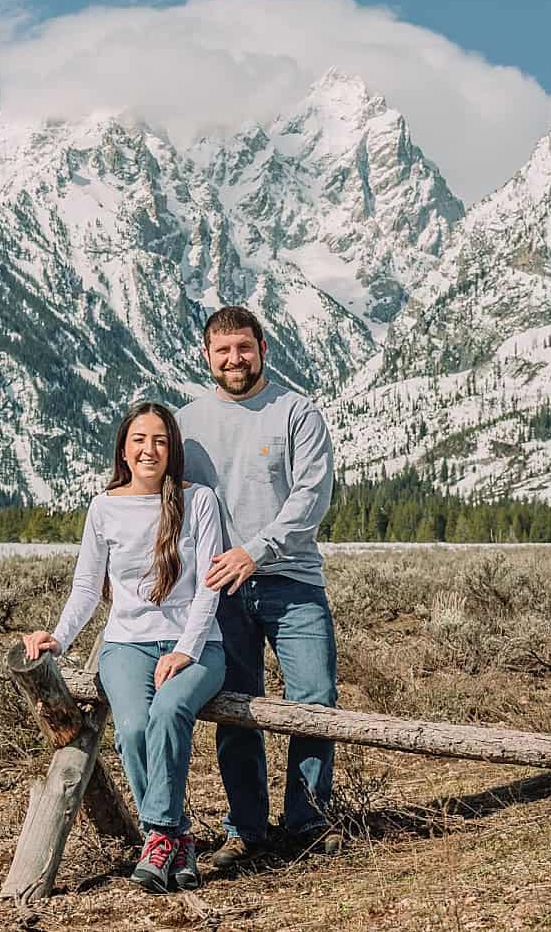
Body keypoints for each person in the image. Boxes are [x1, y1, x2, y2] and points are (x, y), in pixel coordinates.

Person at [21, 401, 226, 893]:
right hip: (126, 645)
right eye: (139, 439)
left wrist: (186, 650)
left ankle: (158, 837)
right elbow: (88, 587)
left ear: (171, 448)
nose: (149, 449)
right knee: (133, 727)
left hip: (198, 646)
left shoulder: (198, 501)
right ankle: (174, 837)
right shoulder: (105, 506)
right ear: (124, 449)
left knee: (170, 712)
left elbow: (209, 587)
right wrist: (60, 637)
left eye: (159, 439)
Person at [177, 306, 339, 870]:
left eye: (243, 347)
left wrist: (256, 551)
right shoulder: (187, 423)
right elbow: (169, 503)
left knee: (314, 702)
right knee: (235, 711)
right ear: (207, 356)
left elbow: (311, 497)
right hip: (219, 591)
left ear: (262, 347)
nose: (234, 359)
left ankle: (308, 824)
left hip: (291, 581)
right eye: (222, 351)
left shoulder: (296, 413)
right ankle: (247, 829)